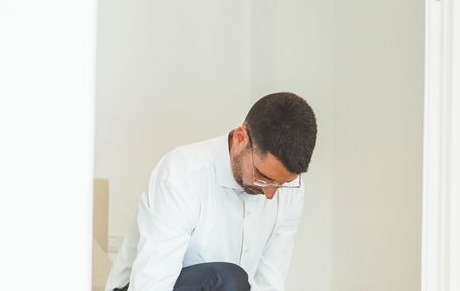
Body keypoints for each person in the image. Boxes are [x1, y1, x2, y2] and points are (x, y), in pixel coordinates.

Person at [104, 92, 317, 291]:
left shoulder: (291, 191)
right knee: (229, 278)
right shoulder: (182, 173)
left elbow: (269, 282)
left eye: (283, 184)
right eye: (264, 177)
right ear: (240, 139)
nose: (271, 194)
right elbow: (152, 282)